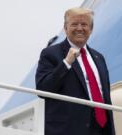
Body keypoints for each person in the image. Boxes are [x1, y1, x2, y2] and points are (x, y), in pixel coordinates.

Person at [35, 7, 115, 135]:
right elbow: (42, 89)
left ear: (91, 29)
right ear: (65, 28)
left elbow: (104, 95)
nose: (79, 28)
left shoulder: (99, 58)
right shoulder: (50, 53)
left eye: (84, 24)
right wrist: (66, 63)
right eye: (74, 24)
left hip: (101, 129)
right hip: (69, 130)